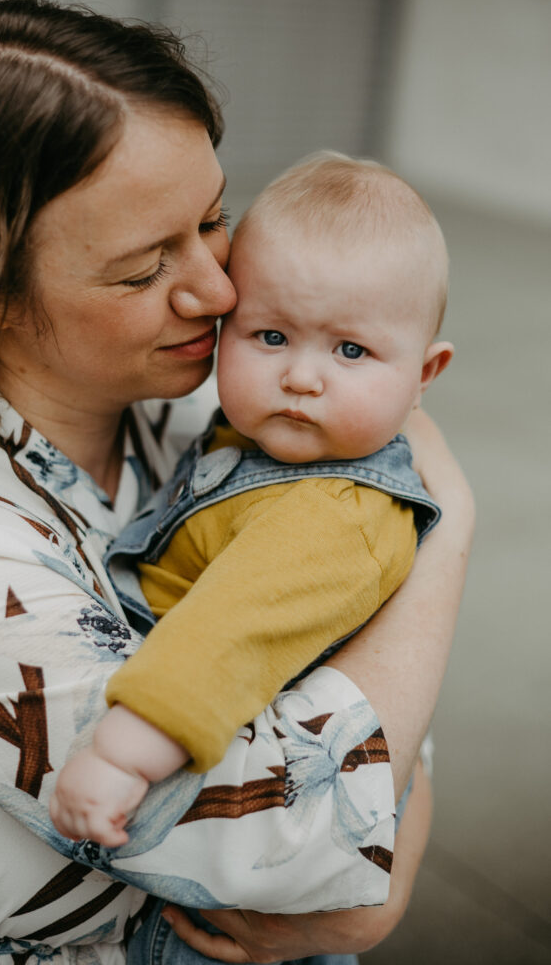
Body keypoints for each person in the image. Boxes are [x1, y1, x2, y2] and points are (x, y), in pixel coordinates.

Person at [0, 0, 474, 965]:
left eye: (211, 219)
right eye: (147, 265)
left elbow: (378, 704)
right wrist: (440, 524)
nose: (222, 289)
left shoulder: (200, 408)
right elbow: (293, 833)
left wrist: (379, 880)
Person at [49, 152, 454, 847]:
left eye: (350, 351)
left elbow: (228, 639)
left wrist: (121, 754)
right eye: (269, 337)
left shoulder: (334, 516)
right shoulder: (256, 441)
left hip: (197, 802)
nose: (300, 376)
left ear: (423, 375)